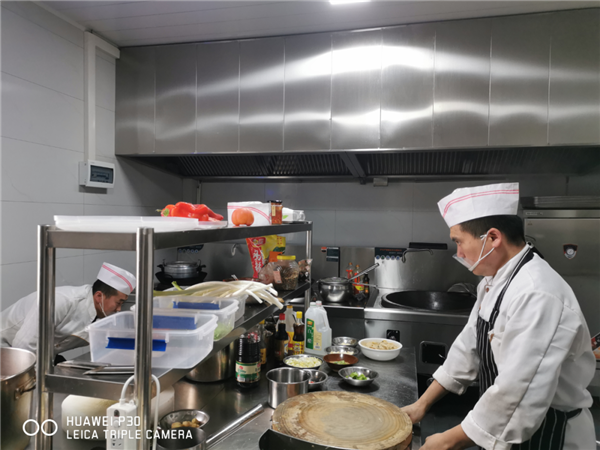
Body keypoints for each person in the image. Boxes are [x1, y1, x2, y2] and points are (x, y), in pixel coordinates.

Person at [402, 183, 596, 450]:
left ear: (493, 238)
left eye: (459, 241)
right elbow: (467, 349)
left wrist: (447, 442)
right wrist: (421, 405)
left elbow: (517, 393)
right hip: (505, 427)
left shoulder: (536, 293)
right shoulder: (493, 280)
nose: (459, 253)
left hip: (549, 434)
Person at [0, 262, 135, 362]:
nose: (119, 309)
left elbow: (108, 341)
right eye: (119, 303)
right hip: (8, 349)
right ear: (99, 296)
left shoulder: (99, 313)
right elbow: (23, 347)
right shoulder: (59, 301)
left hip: (42, 355)